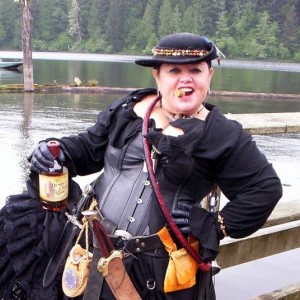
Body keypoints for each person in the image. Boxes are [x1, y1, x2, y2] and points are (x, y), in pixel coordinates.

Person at [0, 32, 282, 300]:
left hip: (156, 273)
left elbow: (265, 189)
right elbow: (88, 148)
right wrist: (56, 150)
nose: (186, 80)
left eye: (196, 70)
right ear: (157, 75)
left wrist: (213, 224)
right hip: (89, 247)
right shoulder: (130, 109)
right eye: (174, 71)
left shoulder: (223, 134)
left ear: (210, 75)